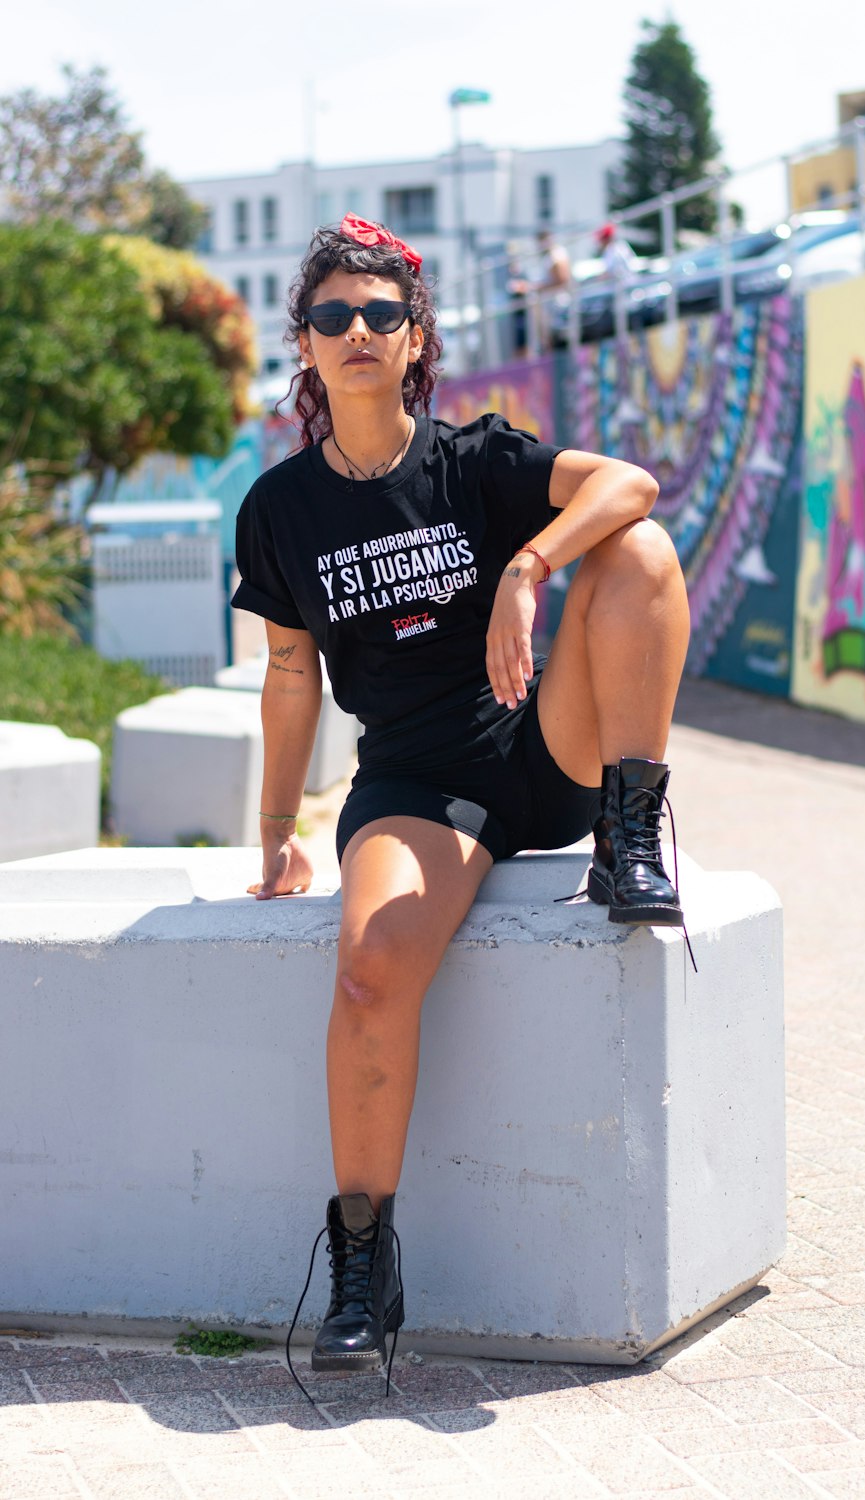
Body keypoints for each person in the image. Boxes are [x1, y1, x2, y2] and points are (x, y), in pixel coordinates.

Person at [232, 214, 692, 1393]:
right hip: (415, 784)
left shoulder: (474, 460)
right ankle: (362, 1261)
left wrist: (528, 569)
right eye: (332, 314)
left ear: (416, 338)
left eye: (381, 313)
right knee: (368, 969)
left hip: (539, 742)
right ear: (305, 342)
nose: (357, 331)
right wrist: (279, 828)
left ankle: (631, 830)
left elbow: (631, 482)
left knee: (634, 551)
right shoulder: (279, 510)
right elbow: (291, 677)